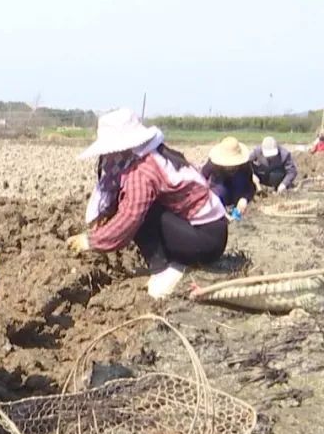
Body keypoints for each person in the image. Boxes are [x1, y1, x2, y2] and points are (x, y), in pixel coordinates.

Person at [66, 109, 228, 298]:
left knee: (141, 212)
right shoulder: (154, 154)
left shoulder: (142, 171)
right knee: (137, 204)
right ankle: (176, 262)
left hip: (206, 240)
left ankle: (162, 271)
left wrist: (91, 241)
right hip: (208, 233)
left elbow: (129, 218)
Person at [202, 137, 256, 215]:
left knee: (240, 180)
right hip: (219, 195)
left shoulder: (245, 166)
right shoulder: (212, 165)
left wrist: (245, 198)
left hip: (237, 194)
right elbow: (201, 180)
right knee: (220, 190)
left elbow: (250, 186)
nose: (231, 167)